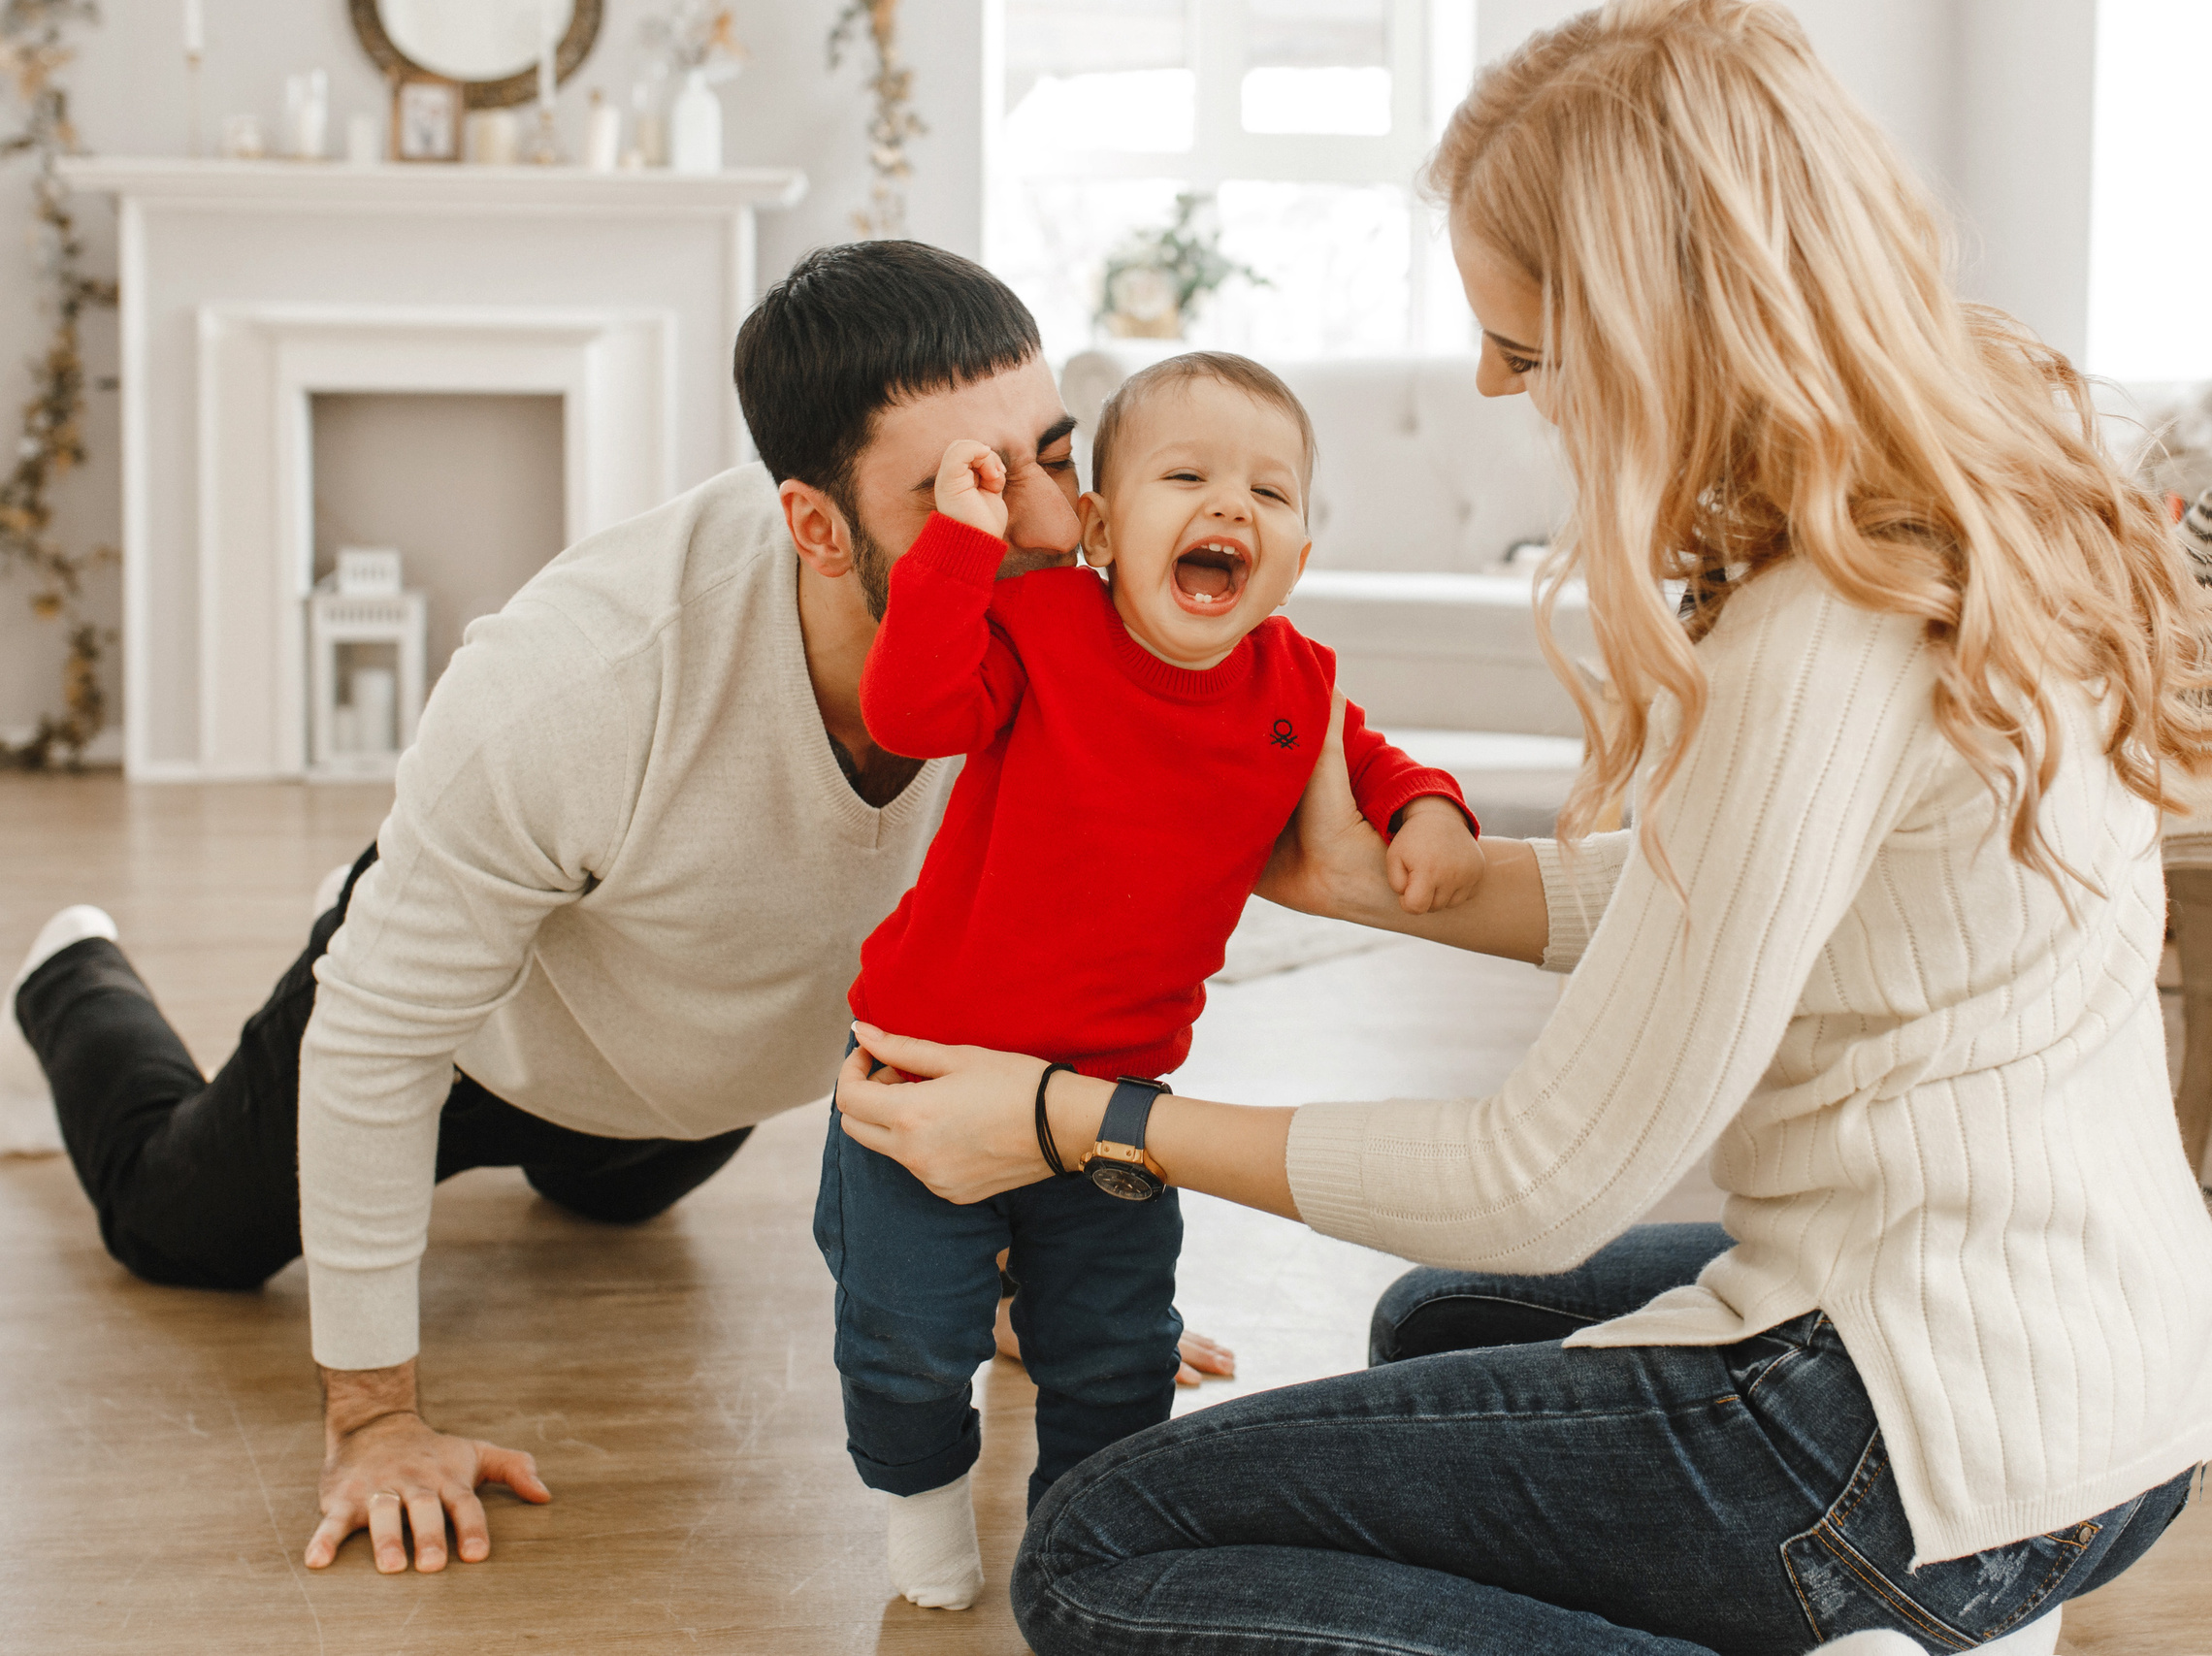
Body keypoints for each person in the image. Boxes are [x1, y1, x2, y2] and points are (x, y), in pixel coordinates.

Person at [832, 3, 2212, 1651]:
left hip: (1912, 1447)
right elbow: (1779, 884)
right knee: (1441, 1322)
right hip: (2110, 1381)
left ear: (1660, 330)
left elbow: (1540, 1179)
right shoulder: (1962, 510)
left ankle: (1878, 1605)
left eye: (1529, 346)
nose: (1491, 378)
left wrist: (1081, 1122)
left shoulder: (1821, 636)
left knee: (1098, 1551)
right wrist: (1410, 884)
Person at [0, 238, 1233, 1578]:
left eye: (1051, 455)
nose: (1041, 528)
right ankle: (68, 978)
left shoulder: (1078, 641)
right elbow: (377, 1043)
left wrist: (999, 1258)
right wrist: (376, 1417)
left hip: (691, 1071)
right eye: (960, 494)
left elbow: (1037, 956)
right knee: (176, 1232)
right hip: (478, 1038)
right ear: (815, 526)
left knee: (614, 1208)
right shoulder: (577, 687)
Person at [829, 352, 1479, 1609]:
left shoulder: (1296, 683)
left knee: (1118, 1355)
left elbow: (1377, 764)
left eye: (1271, 494)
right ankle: (919, 1503)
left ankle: (1085, 1532)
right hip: (921, 1072)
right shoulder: (1042, 628)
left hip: (1112, 1095)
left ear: (1297, 550)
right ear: (1103, 530)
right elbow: (909, 712)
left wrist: (1429, 813)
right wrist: (961, 548)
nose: (1232, 507)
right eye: (1188, 476)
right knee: (911, 1343)